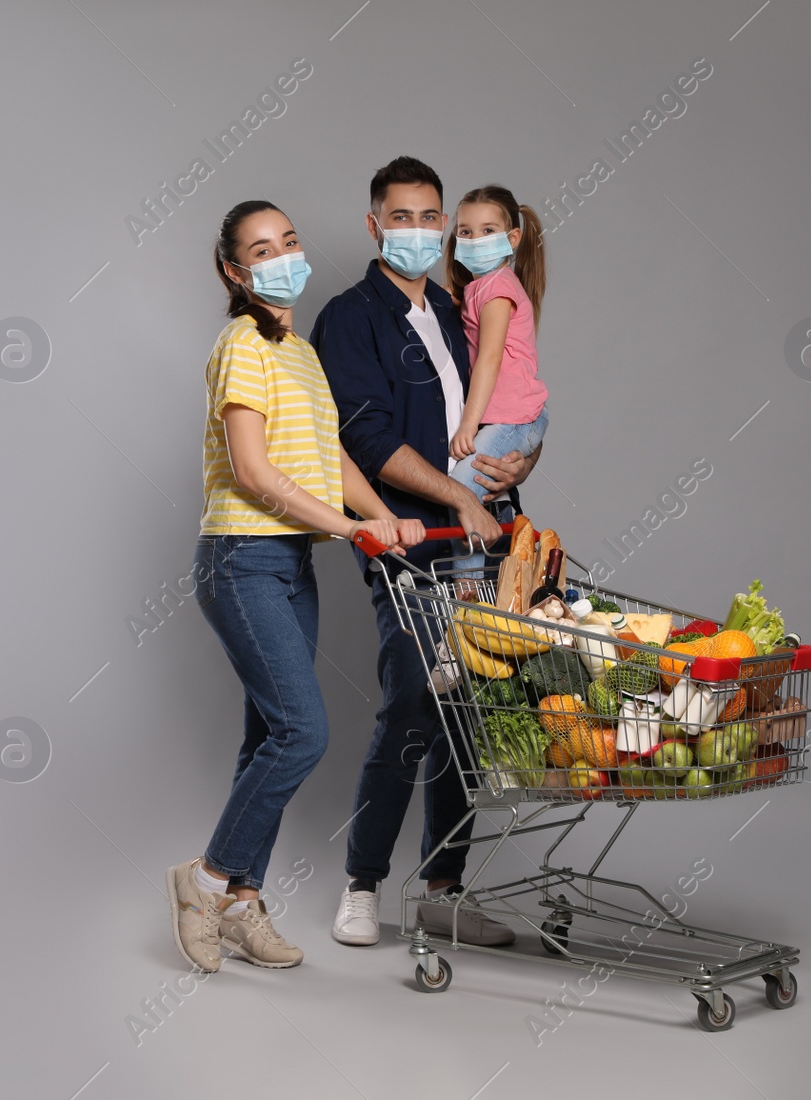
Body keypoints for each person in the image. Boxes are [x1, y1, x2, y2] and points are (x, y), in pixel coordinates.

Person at [167, 199, 425, 974]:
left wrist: (382, 514)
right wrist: (351, 530)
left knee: (264, 738)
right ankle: (206, 880)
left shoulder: (301, 354)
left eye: (290, 240)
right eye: (261, 248)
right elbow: (253, 471)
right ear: (233, 272)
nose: (282, 255)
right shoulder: (242, 344)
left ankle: (245, 906)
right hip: (241, 559)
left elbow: (331, 457)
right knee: (301, 733)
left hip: (288, 564)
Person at [310, 157, 540, 948]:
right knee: (413, 700)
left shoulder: (456, 305)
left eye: (429, 217)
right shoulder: (349, 318)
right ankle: (363, 884)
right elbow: (365, 441)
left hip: (488, 539)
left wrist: (519, 464)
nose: (418, 230)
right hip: (413, 543)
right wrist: (462, 499)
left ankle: (444, 887)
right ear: (376, 225)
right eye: (401, 217)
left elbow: (502, 398)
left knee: (471, 711)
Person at [443, 184, 549, 576]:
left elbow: (488, 358)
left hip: (514, 418)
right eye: (465, 232)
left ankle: (469, 590)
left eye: (488, 231)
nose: (474, 240)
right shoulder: (480, 287)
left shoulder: (498, 287)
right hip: (512, 417)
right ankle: (475, 589)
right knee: (468, 490)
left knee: (461, 490)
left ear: (513, 238)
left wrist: (468, 424)